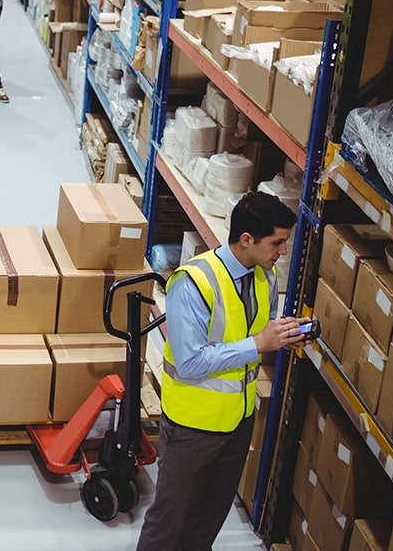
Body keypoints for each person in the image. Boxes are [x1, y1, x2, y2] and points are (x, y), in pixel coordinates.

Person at [137, 192, 305, 550]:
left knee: (209, 517)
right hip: (193, 426)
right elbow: (190, 361)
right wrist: (259, 343)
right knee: (170, 519)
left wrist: (280, 337)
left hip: (237, 420)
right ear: (247, 239)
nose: (283, 251)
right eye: (277, 242)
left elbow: (251, 331)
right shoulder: (192, 283)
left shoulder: (265, 275)